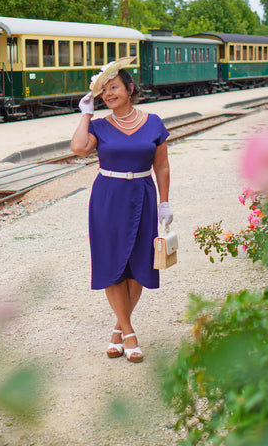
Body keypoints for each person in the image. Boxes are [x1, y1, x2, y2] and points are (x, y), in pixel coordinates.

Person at [71, 57, 173, 363]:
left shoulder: (154, 122)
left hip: (142, 195)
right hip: (108, 198)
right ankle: (129, 334)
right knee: (113, 266)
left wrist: (164, 202)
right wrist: (85, 115)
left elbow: (162, 165)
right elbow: (78, 148)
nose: (108, 94)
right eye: (103, 91)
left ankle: (118, 330)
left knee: (139, 269)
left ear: (129, 88)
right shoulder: (100, 126)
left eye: (113, 87)